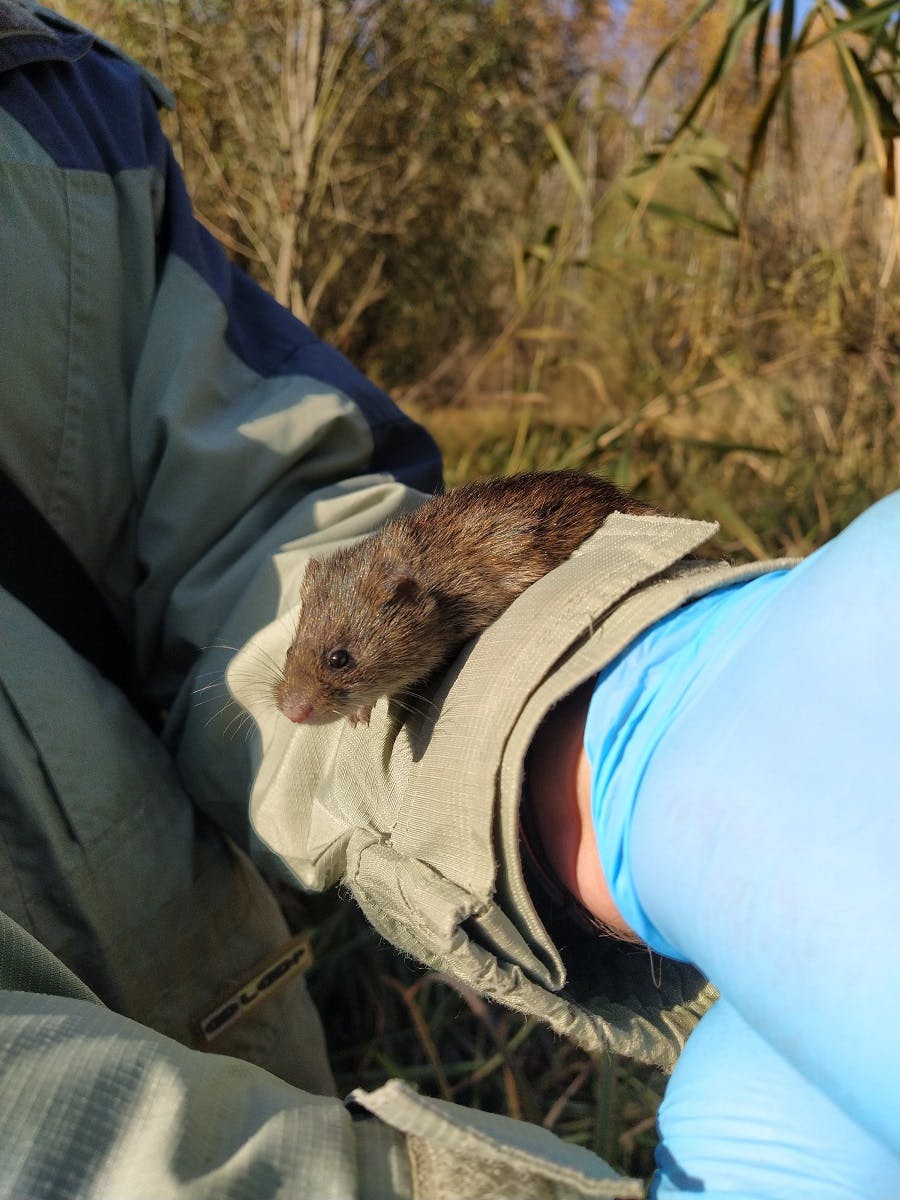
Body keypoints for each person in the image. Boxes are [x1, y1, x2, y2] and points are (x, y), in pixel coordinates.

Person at [1, 3, 897, 1197]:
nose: (315, 698)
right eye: (330, 681)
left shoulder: (53, 103)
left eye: (338, 678)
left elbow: (255, 524)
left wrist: (586, 707)